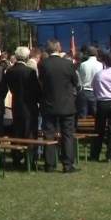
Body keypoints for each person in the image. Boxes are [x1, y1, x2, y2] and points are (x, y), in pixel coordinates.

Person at [38, 39, 79, 173]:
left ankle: (49, 164)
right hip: (66, 104)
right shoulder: (68, 64)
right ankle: (67, 164)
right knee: (67, 135)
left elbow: (42, 82)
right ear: (59, 47)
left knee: (49, 134)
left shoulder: (43, 64)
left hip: (49, 104)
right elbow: (75, 82)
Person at [4, 46, 41, 168]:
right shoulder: (30, 72)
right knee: (30, 132)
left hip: (16, 104)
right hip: (29, 106)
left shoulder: (9, 71)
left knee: (17, 132)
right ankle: (30, 159)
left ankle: (16, 157)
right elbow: (36, 90)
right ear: (26, 57)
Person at [77, 47, 103, 117]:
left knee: (83, 114)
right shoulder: (100, 65)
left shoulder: (83, 64)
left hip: (85, 90)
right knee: (96, 114)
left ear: (87, 54)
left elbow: (80, 78)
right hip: (96, 91)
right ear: (96, 54)